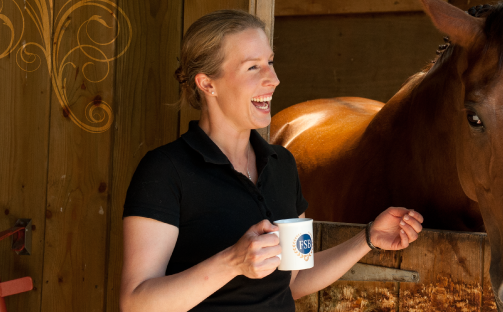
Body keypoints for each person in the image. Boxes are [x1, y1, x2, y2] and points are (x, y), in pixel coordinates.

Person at [118, 10, 424, 311]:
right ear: (208, 84)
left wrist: (368, 238)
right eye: (253, 67)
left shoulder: (281, 165)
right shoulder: (165, 170)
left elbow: (294, 280)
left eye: (270, 62)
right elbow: (136, 302)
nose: (274, 79)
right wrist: (233, 262)